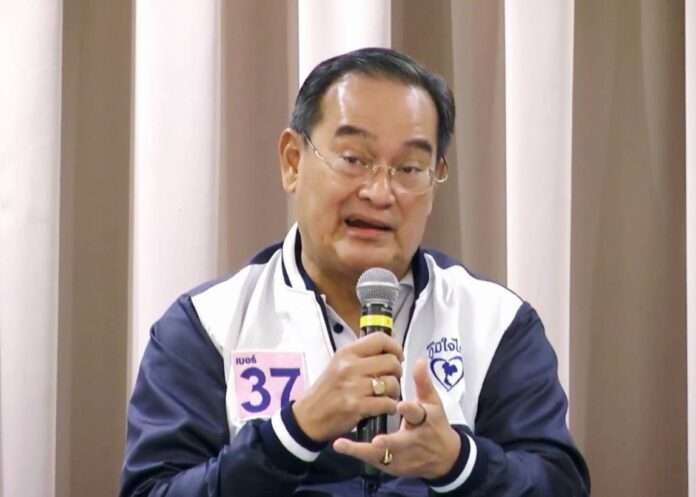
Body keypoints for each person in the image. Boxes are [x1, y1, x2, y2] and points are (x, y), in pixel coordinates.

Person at [120, 47, 590, 497]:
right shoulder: (209, 325)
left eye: (410, 168)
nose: (380, 193)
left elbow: (559, 483)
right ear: (292, 162)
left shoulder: (495, 322)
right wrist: (293, 433)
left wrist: (458, 462)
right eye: (353, 160)